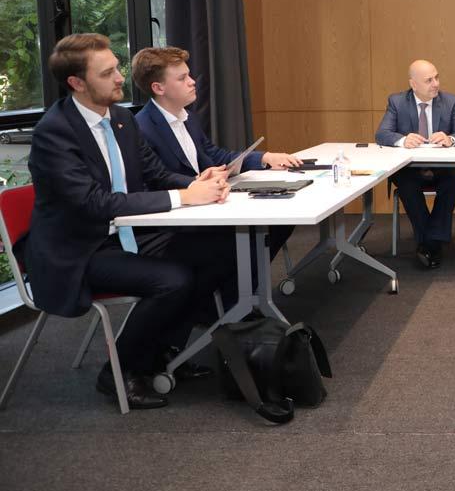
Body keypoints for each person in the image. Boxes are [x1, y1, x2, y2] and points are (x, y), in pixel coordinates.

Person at [22, 34, 231, 409]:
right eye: (107, 73)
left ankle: (164, 352)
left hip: (126, 233)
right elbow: (94, 203)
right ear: (77, 83)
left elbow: (154, 172)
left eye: (117, 68)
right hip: (80, 249)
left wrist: (196, 184)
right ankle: (119, 370)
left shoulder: (120, 119)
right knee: (173, 280)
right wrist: (184, 197)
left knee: (217, 252)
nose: (120, 78)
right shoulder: (54, 132)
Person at [131, 46, 300, 278]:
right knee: (242, 237)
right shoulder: (142, 128)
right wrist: (196, 181)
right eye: (182, 78)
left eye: (189, 75)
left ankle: (244, 289)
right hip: (176, 219)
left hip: (207, 203)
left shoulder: (188, 117)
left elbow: (213, 155)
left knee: (280, 221)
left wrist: (264, 158)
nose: (192, 82)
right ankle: (234, 294)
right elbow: (153, 182)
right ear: (158, 88)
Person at [375, 59, 455, 268]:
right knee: (407, 184)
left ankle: (427, 243)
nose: (436, 84)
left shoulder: (451, 101)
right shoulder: (397, 102)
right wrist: (402, 140)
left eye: (437, 77)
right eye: (429, 80)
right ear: (413, 84)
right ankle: (434, 242)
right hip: (410, 170)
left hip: (442, 169)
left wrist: (450, 139)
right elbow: (382, 134)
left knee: (452, 181)